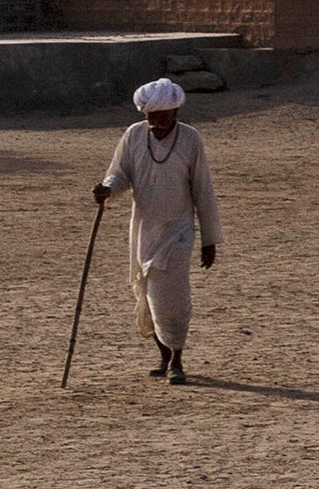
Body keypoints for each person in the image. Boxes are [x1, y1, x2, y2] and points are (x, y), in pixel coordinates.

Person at [95, 77, 224, 385]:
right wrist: (106, 190)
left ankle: (177, 359)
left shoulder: (191, 139)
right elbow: (120, 174)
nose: (156, 123)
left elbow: (203, 190)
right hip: (144, 230)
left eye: (162, 116)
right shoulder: (134, 136)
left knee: (173, 297)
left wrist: (210, 240)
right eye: (151, 117)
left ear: (175, 113)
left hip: (178, 230)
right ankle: (164, 357)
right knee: (149, 295)